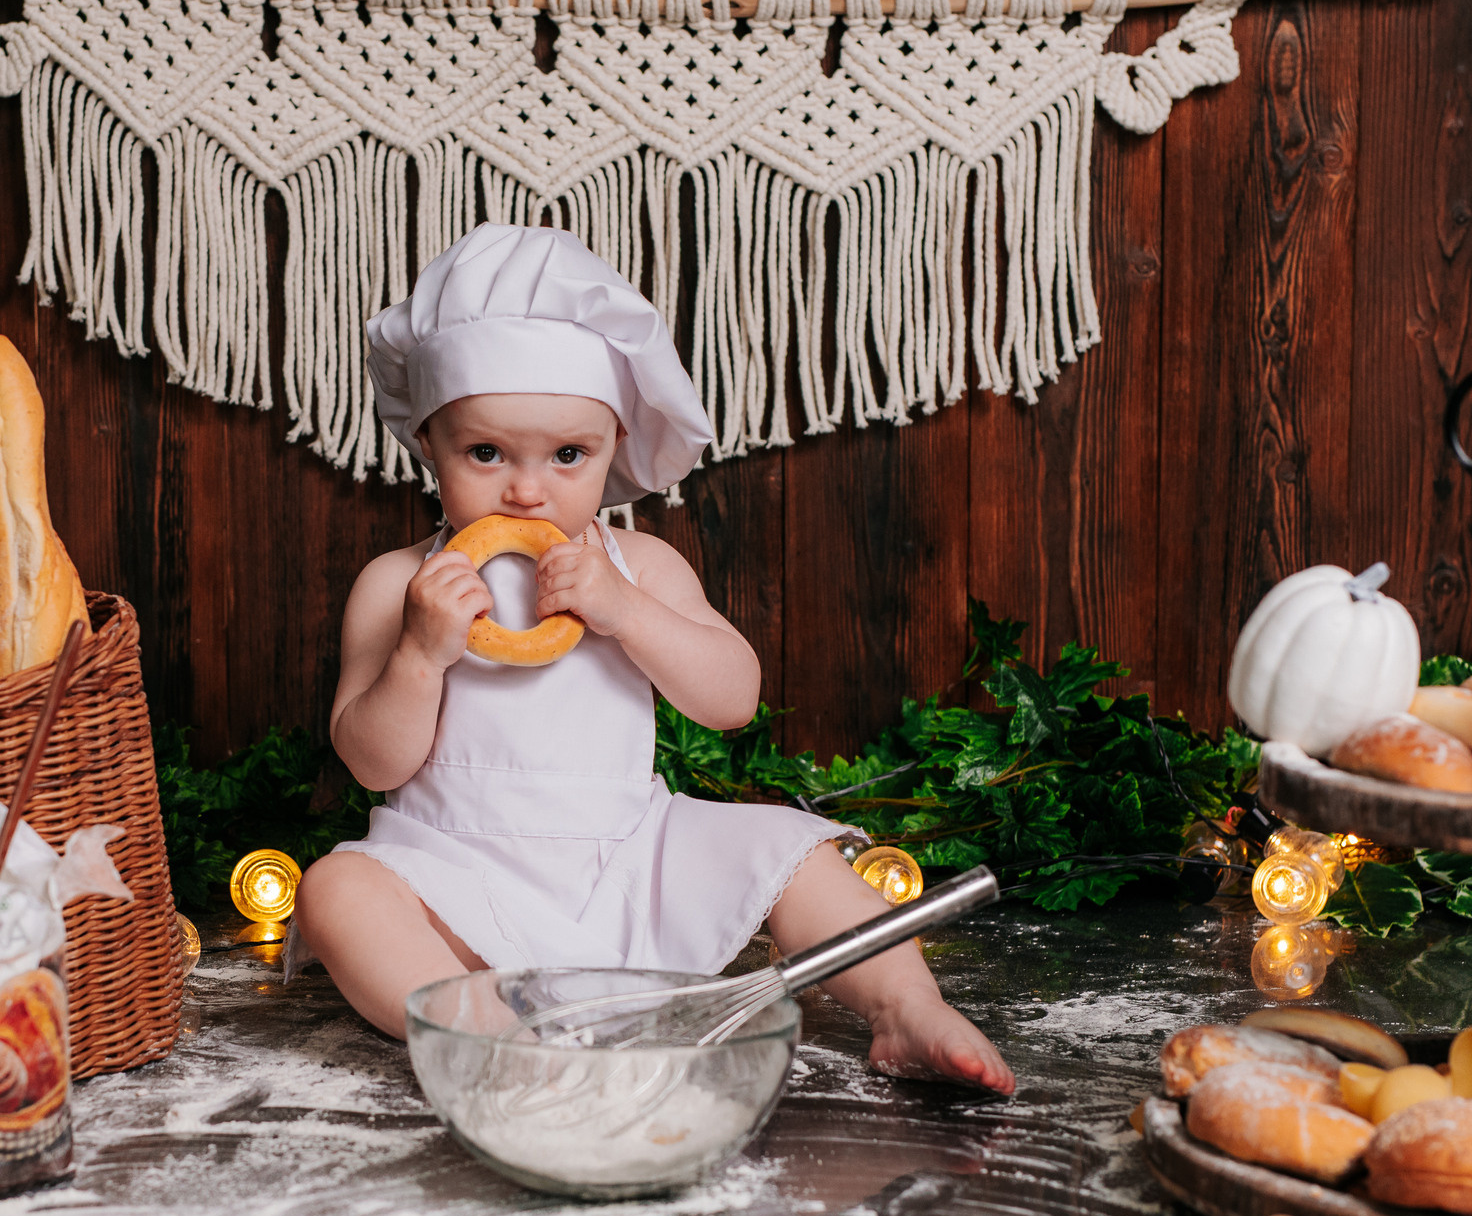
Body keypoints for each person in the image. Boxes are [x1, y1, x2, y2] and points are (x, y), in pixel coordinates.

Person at [294, 224, 1014, 1093]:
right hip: (456, 873)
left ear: (614, 447)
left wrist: (625, 610)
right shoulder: (399, 584)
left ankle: (904, 1003)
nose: (528, 488)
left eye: (568, 455)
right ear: (427, 446)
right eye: (485, 452)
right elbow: (373, 761)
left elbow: (733, 699)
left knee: (794, 855)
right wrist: (419, 653)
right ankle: (486, 1028)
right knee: (337, 889)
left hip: (631, 857)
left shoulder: (641, 567)